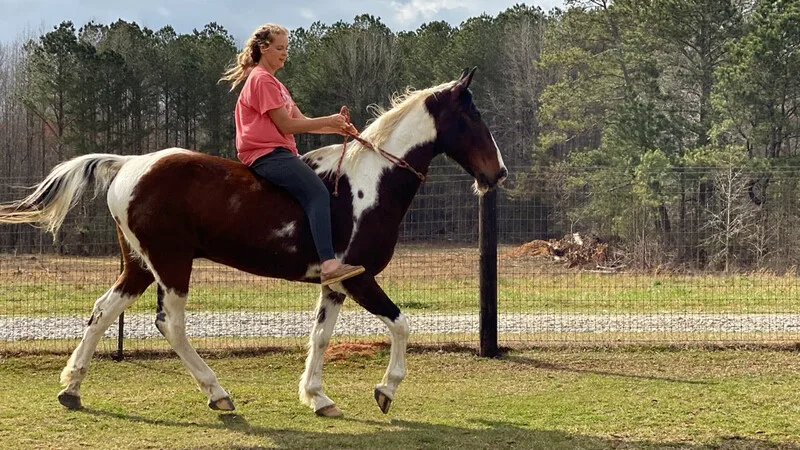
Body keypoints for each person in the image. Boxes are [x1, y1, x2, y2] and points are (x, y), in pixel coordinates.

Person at [220, 23, 364, 286]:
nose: (285, 53)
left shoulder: (274, 83)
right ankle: (329, 264)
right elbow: (287, 126)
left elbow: (302, 121)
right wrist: (330, 120)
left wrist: (336, 128)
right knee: (318, 193)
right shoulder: (261, 80)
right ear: (263, 49)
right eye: (279, 48)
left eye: (286, 48)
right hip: (267, 154)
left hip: (280, 153)